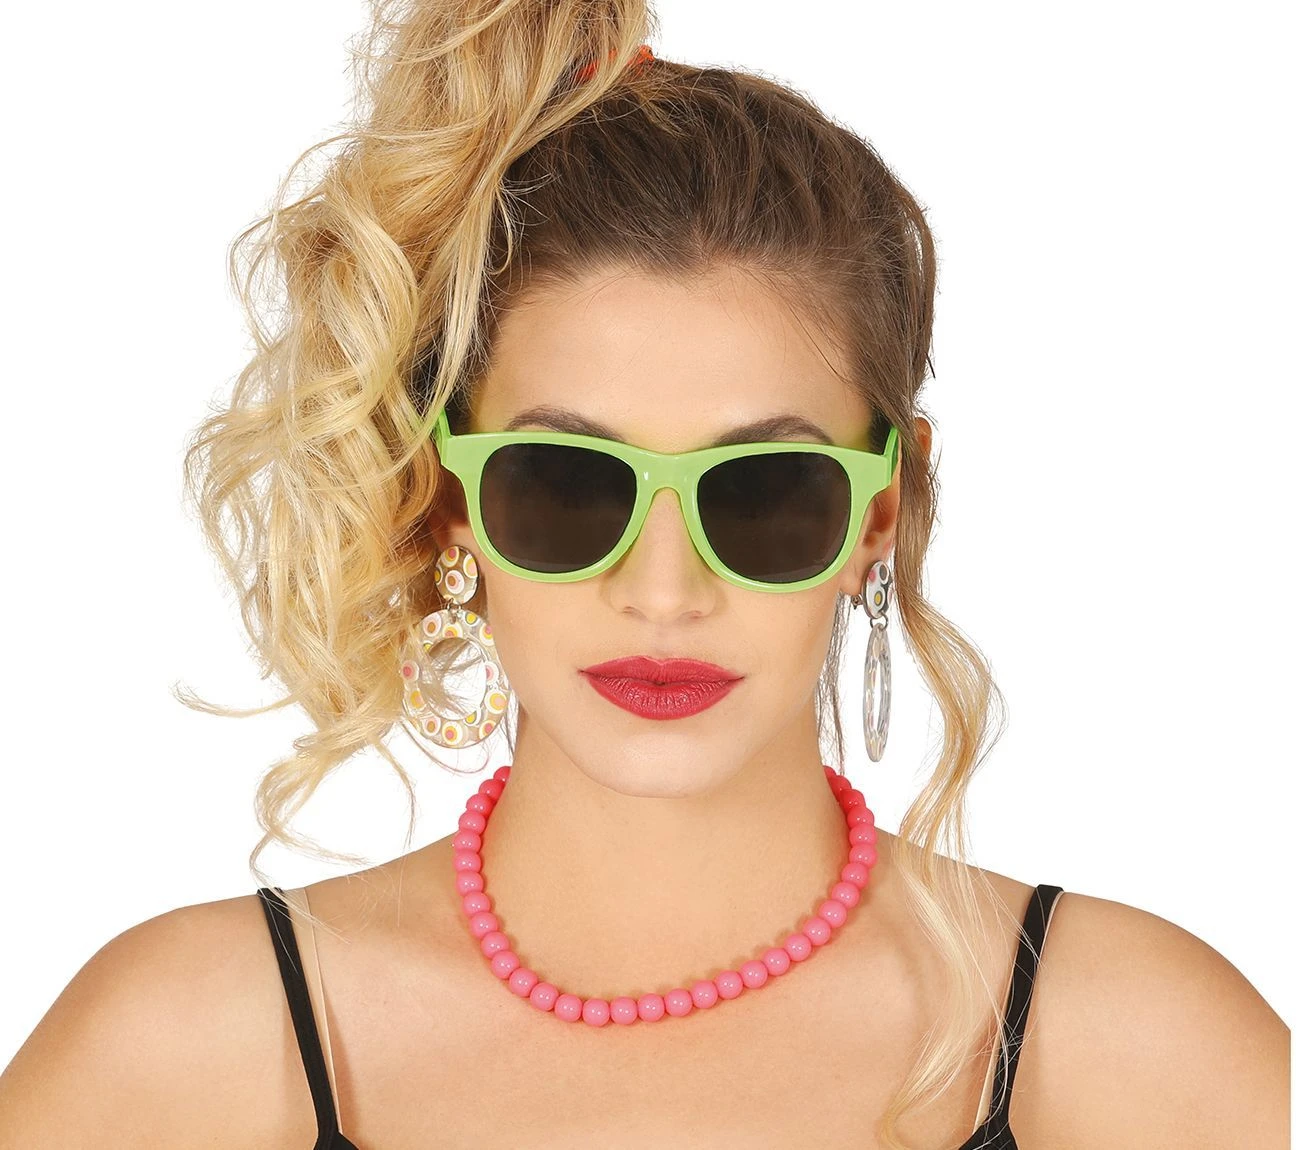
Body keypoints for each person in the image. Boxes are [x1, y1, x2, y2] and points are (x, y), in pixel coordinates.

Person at [0, 3, 1287, 1148]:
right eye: (566, 484)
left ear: (880, 513)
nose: (662, 590)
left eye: (763, 493)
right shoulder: (181, 1051)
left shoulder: (1137, 1049)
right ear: (448, 504)